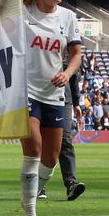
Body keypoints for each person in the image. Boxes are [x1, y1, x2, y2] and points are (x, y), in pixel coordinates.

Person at [4, 0, 82, 216]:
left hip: (55, 95)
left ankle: (33, 189)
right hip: (26, 91)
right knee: (34, 147)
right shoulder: (22, 13)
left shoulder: (68, 17)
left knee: (51, 156)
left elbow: (76, 54)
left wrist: (67, 73)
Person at [38, 61, 86, 201]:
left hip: (63, 98)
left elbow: (73, 73)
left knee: (65, 140)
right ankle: (39, 186)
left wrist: (76, 103)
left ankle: (71, 184)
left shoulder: (65, 44)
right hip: (39, 96)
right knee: (40, 141)